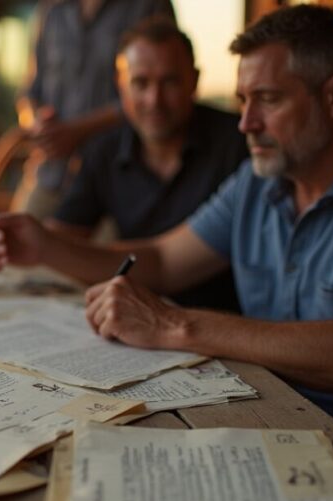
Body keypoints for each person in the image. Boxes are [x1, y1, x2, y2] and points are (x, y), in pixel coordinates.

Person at [0, 5, 333, 501]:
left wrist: (177, 325)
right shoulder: (260, 183)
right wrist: (42, 245)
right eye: (242, 100)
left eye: (268, 99)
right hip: (280, 435)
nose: (245, 123)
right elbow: (165, 259)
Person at [42, 17, 247, 310]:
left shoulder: (240, 144)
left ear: (195, 81)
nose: (155, 100)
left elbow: (163, 263)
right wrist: (24, 237)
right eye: (140, 83)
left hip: (222, 321)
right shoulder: (103, 151)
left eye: (170, 82)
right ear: (120, 86)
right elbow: (63, 236)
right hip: (131, 317)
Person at [13, 0, 176, 218]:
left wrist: (76, 132)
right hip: (52, 173)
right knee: (13, 241)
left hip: (117, 178)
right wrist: (38, 125)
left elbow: (154, 97)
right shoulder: (52, 10)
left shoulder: (149, 6)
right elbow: (30, 91)